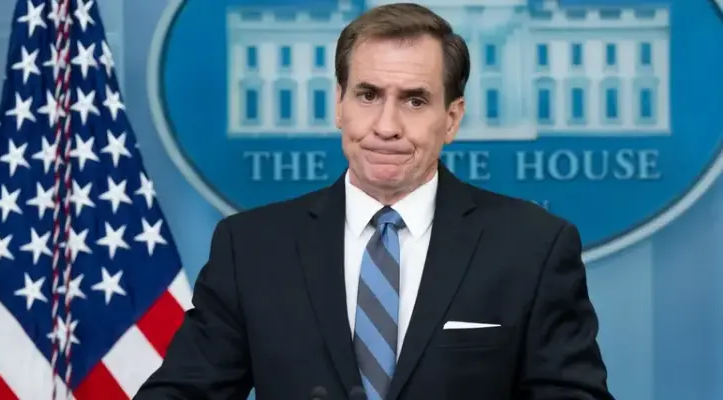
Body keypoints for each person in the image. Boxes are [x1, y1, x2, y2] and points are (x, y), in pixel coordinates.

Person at [135, 3, 614, 399]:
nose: (386, 126)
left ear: (451, 119)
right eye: (367, 95)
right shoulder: (251, 247)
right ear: (339, 104)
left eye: (414, 100)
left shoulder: (533, 247)